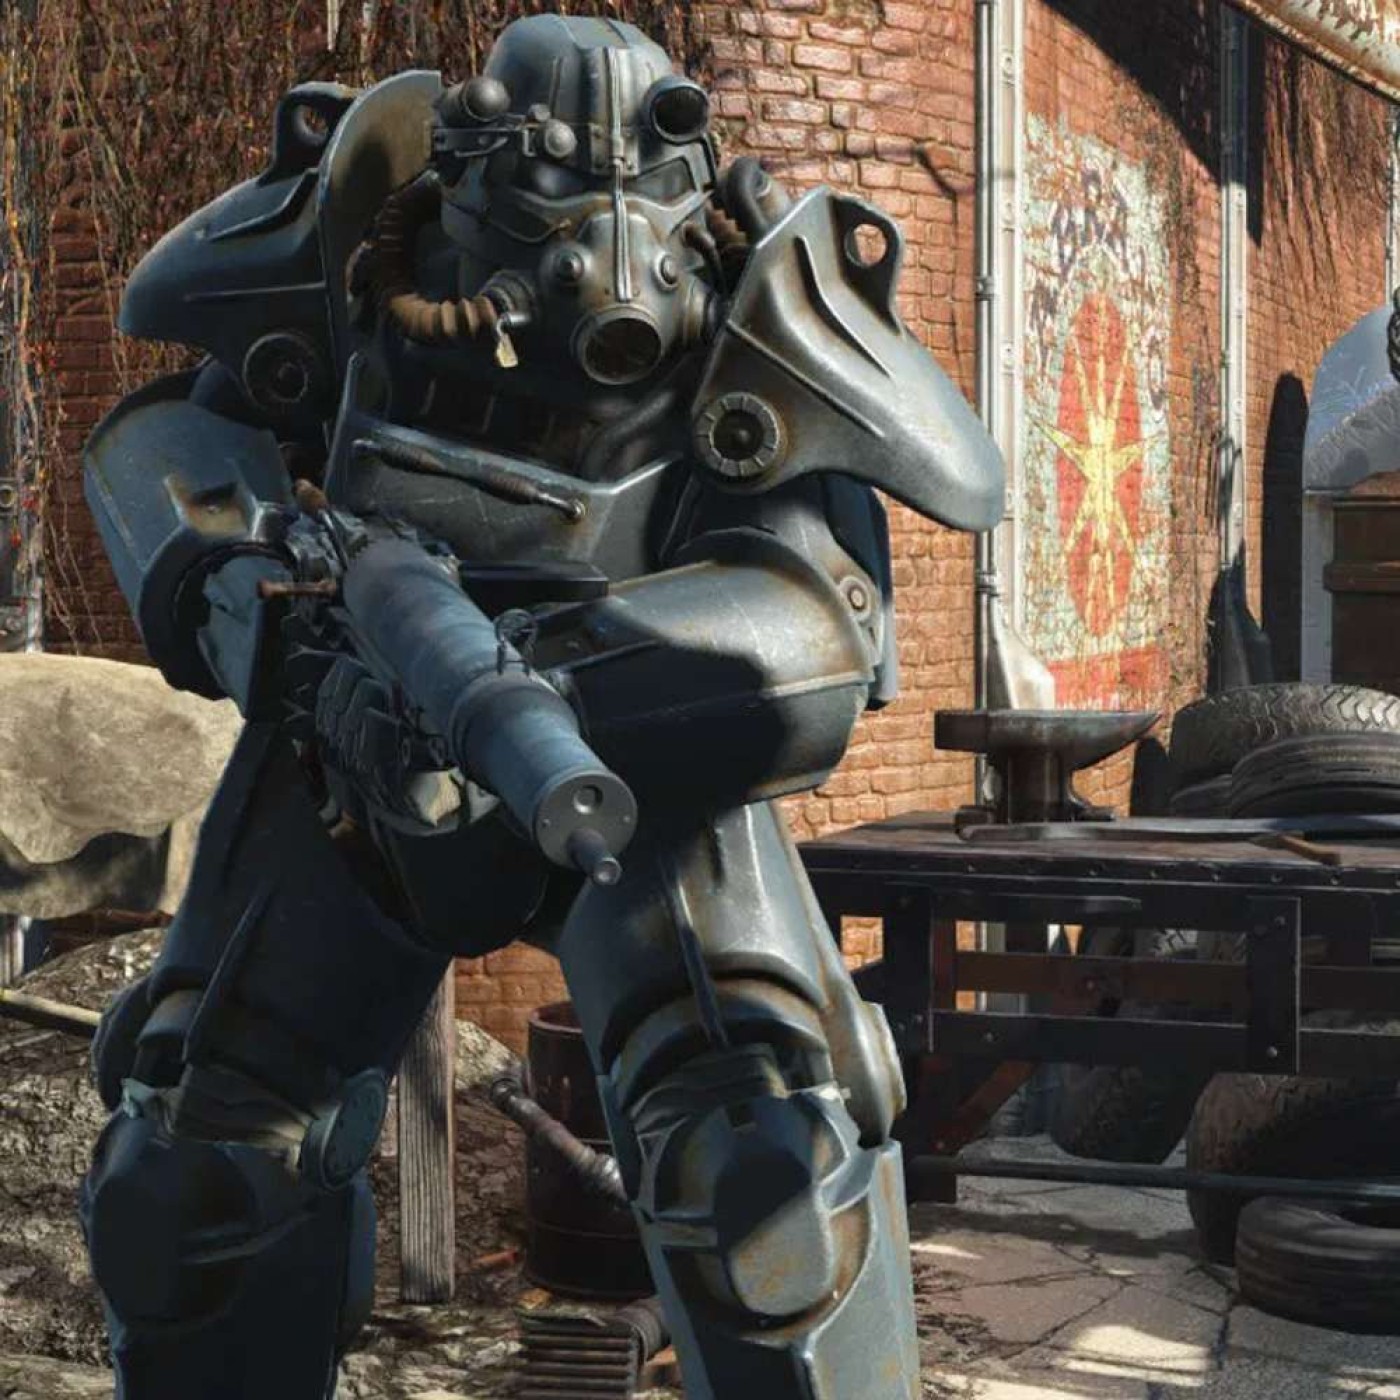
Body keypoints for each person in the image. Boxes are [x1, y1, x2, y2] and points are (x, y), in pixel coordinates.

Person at [78, 15, 1004, 1398]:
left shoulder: (748, 302)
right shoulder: (361, 248)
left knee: (765, 1187)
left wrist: (550, 676)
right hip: (349, 764)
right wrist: (253, 610)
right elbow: (170, 441)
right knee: (189, 1187)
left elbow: (820, 630)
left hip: (639, 784)